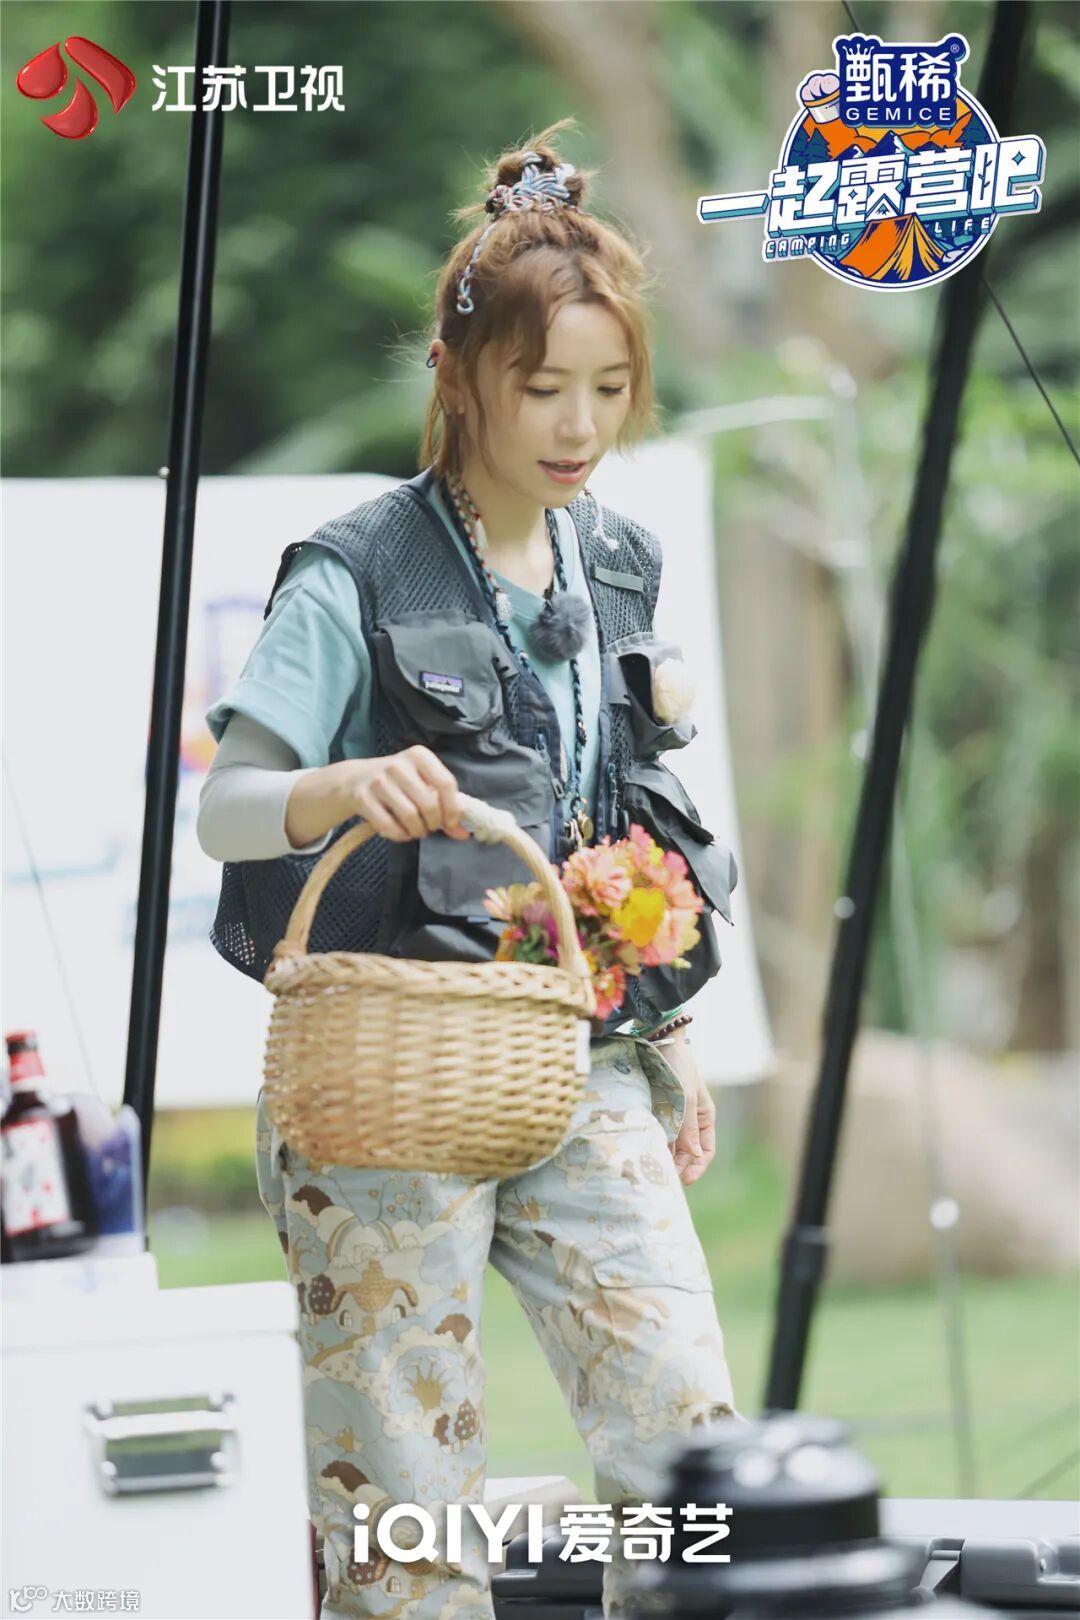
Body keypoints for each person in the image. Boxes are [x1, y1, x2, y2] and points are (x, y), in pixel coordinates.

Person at [198, 118, 742, 1620]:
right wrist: (340, 787)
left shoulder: (618, 560)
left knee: (689, 1445)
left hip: (585, 1060)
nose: (579, 425)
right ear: (458, 376)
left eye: (609, 390)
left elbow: (614, 814)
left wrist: (671, 1030)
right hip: (383, 1083)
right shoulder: (353, 570)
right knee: (402, 1504)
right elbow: (227, 812)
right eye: (541, 385)